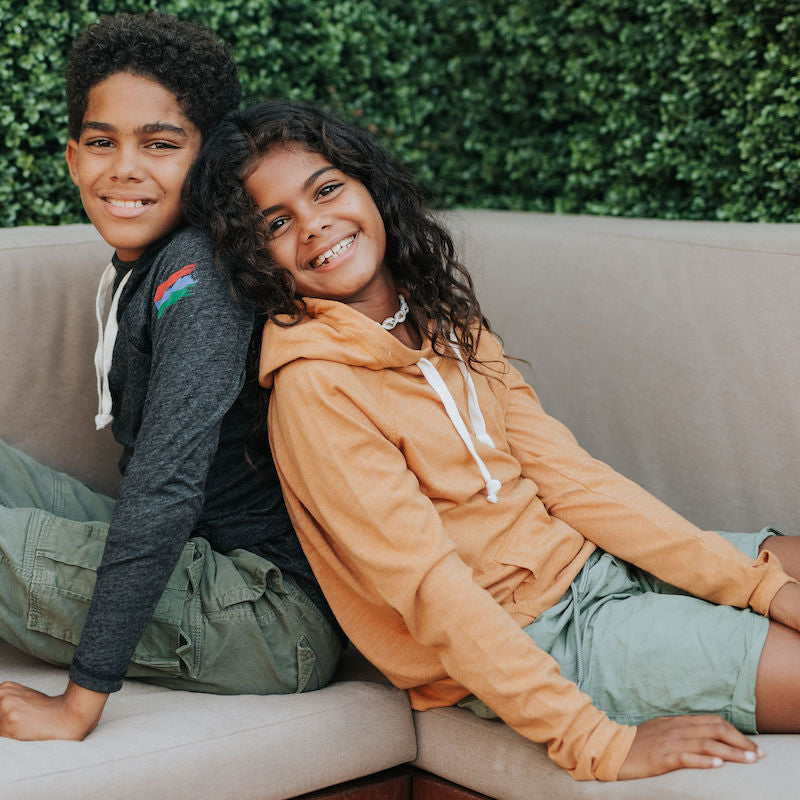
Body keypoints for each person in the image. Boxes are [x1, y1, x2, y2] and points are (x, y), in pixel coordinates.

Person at [183, 98, 800, 782]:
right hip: (531, 631)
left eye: (326, 188)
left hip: (591, 563)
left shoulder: (445, 319)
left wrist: (758, 587)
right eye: (276, 222)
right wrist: (597, 742)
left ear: (369, 186)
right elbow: (432, 589)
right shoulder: (315, 390)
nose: (314, 224)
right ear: (255, 257)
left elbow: (573, 479)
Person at [0, 18, 341, 742]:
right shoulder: (148, 266)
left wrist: (78, 704)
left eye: (159, 144)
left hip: (272, 615)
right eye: (102, 142)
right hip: (202, 561)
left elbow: (164, 486)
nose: (124, 169)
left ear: (208, 162)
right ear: (72, 158)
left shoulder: (199, 276)